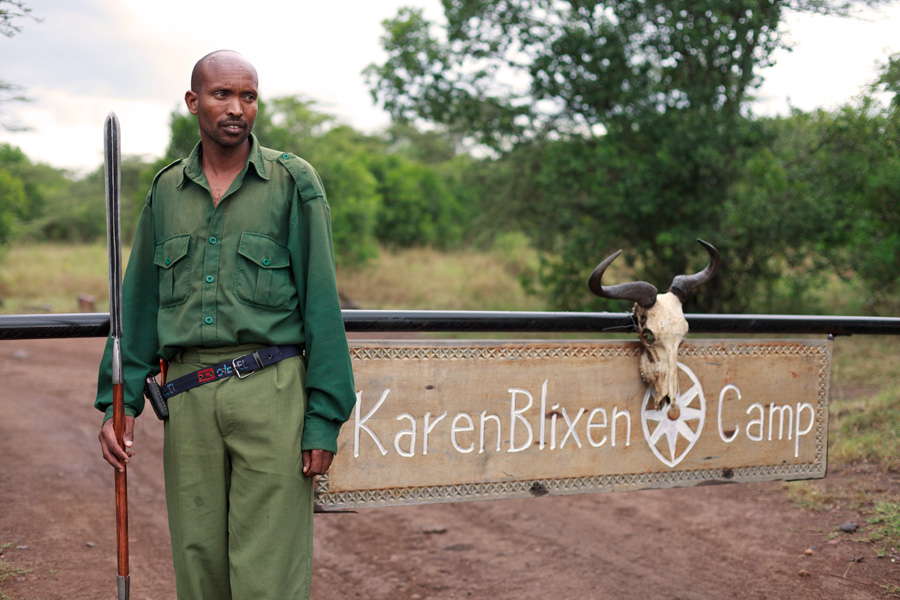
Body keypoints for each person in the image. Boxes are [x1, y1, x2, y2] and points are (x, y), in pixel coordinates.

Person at [95, 50, 356, 599]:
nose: (236, 108)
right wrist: (117, 406)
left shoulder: (292, 182)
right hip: (188, 398)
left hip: (271, 389)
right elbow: (137, 304)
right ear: (194, 102)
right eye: (221, 95)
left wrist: (324, 418)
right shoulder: (166, 191)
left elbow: (322, 306)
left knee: (269, 573)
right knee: (198, 567)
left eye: (248, 96)